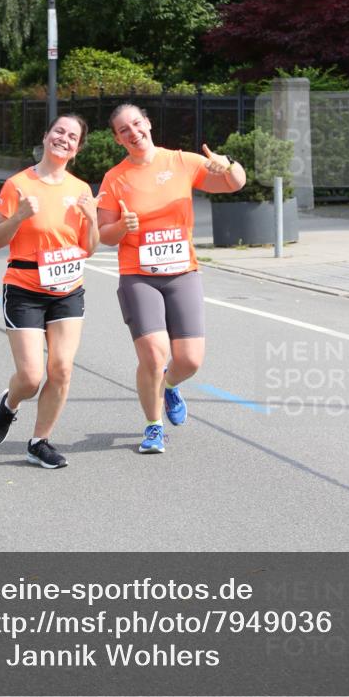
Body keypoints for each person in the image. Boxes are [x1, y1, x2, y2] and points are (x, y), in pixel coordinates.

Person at [98, 103, 246, 454]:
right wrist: (122, 226)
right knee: (153, 352)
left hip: (182, 271)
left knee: (190, 360)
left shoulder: (182, 161)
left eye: (137, 124)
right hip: (139, 274)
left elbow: (234, 184)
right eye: (124, 130)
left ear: (148, 124)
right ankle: (153, 426)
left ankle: (169, 385)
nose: (133, 133)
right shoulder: (114, 178)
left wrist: (228, 164)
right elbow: (104, 233)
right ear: (118, 139)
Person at [0, 114, 99, 469]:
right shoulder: (18, 184)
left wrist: (93, 217)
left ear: (77, 148)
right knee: (32, 377)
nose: (63, 139)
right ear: (46, 135)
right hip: (24, 287)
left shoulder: (81, 189)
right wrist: (18, 216)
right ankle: (10, 403)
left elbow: (89, 247)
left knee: (62, 368)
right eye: (58, 131)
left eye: (72, 136)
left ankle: (39, 442)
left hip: (67, 288)